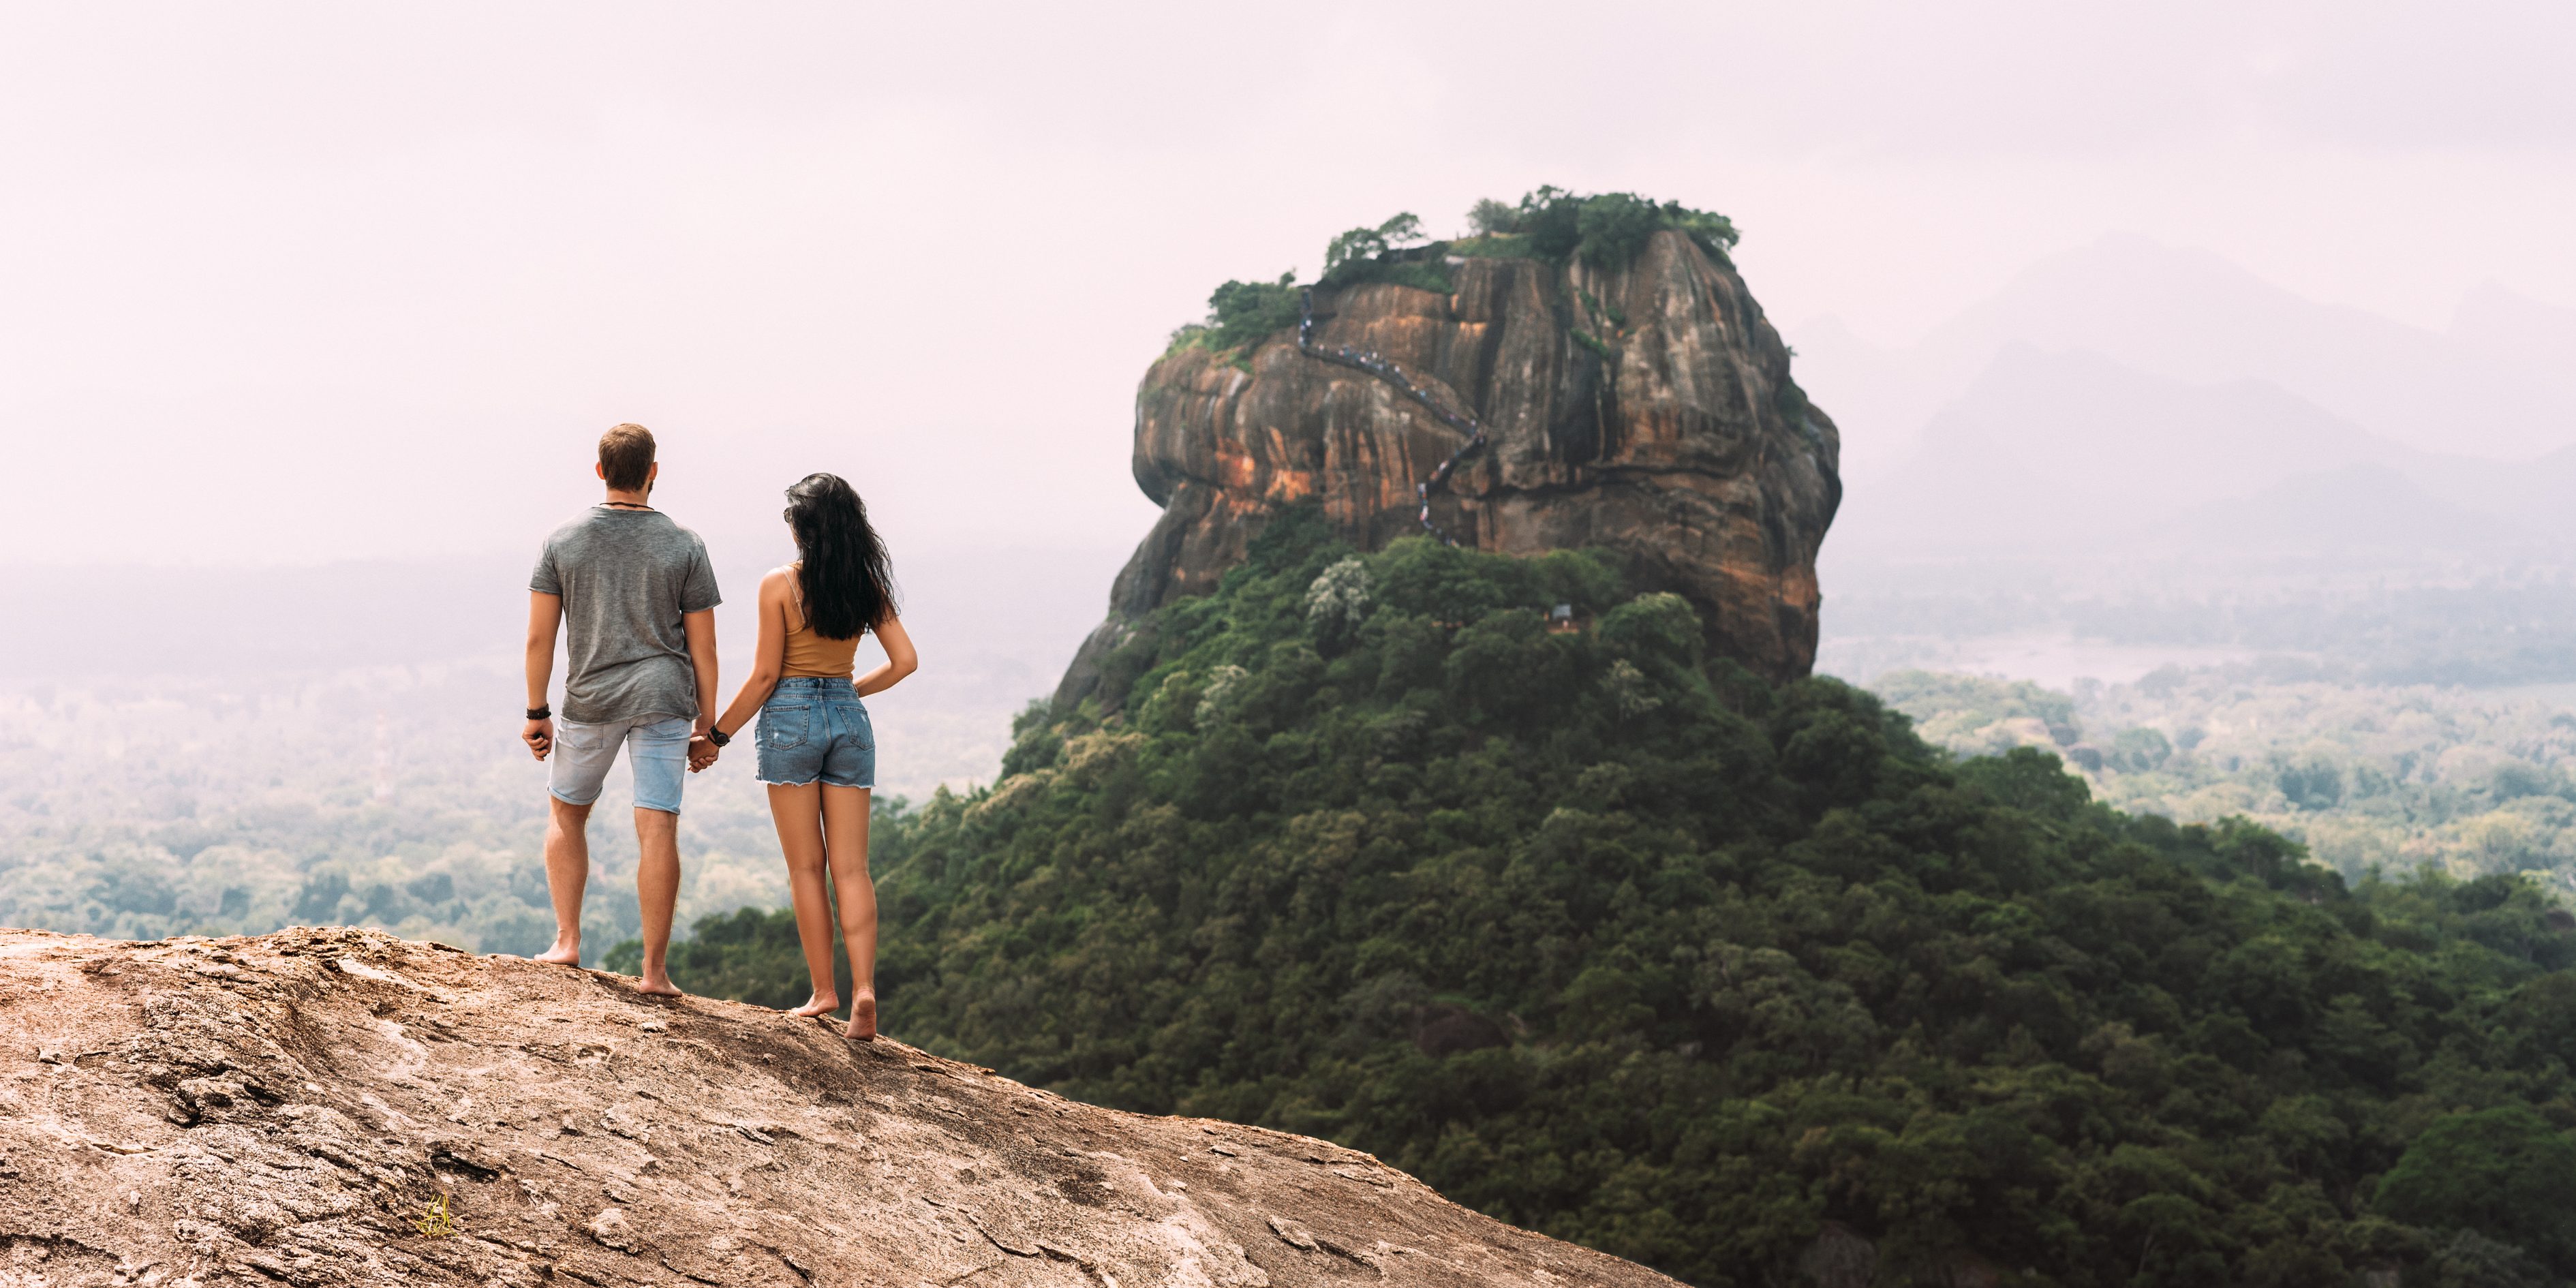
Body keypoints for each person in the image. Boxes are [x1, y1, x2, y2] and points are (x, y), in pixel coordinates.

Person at [700, 473, 915, 1041]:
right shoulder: (867, 585)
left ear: (803, 529)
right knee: (853, 868)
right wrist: (848, 694)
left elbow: (767, 675)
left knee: (806, 868)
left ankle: (825, 993)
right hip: (848, 716)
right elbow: (905, 661)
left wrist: (716, 737)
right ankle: (865, 990)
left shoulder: (780, 585)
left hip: (790, 720)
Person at [520, 423, 722, 996]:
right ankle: (655, 973)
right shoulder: (685, 544)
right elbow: (704, 647)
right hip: (665, 697)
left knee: (567, 814)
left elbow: (541, 639)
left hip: (591, 699)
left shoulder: (563, 540)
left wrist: (537, 711)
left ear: (601, 470)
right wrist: (709, 724)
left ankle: (566, 942)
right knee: (657, 825)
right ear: (653, 472)